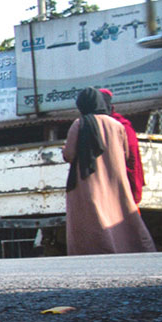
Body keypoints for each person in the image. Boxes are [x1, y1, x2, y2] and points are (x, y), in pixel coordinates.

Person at [63, 86, 154, 255]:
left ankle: (100, 251)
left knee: (94, 218)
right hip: (115, 179)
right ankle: (136, 248)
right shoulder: (118, 125)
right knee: (122, 214)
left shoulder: (79, 124)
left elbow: (69, 154)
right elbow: (127, 153)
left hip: (88, 181)